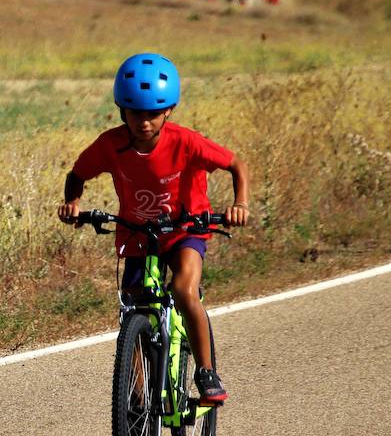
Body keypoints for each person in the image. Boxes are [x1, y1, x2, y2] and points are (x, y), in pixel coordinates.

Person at [58, 54, 250, 404]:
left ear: (168, 111)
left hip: (185, 230)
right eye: (135, 113)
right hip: (138, 234)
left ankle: (206, 371)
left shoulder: (186, 142)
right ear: (122, 111)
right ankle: (136, 398)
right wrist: (72, 202)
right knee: (132, 306)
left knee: (183, 289)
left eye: (153, 113)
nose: (143, 122)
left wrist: (240, 204)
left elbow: (235, 164)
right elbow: (78, 174)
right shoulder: (110, 145)